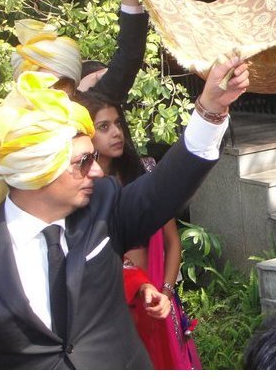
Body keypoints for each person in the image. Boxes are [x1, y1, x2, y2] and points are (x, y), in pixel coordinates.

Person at [0, 56, 249, 369]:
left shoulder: (103, 206)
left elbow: (165, 187)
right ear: (37, 170)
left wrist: (211, 108)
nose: (96, 172)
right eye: (82, 162)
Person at [74, 90, 201, 369]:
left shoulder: (143, 174)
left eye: (117, 124)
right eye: (104, 127)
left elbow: (172, 242)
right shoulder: (78, 191)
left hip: (156, 298)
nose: (116, 133)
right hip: (111, 307)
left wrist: (166, 291)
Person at [12, 0, 148, 104]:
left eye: (62, 84)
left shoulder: (89, 105)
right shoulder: (11, 115)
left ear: (74, 85)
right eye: (41, 85)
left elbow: (129, 55)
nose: (54, 92)